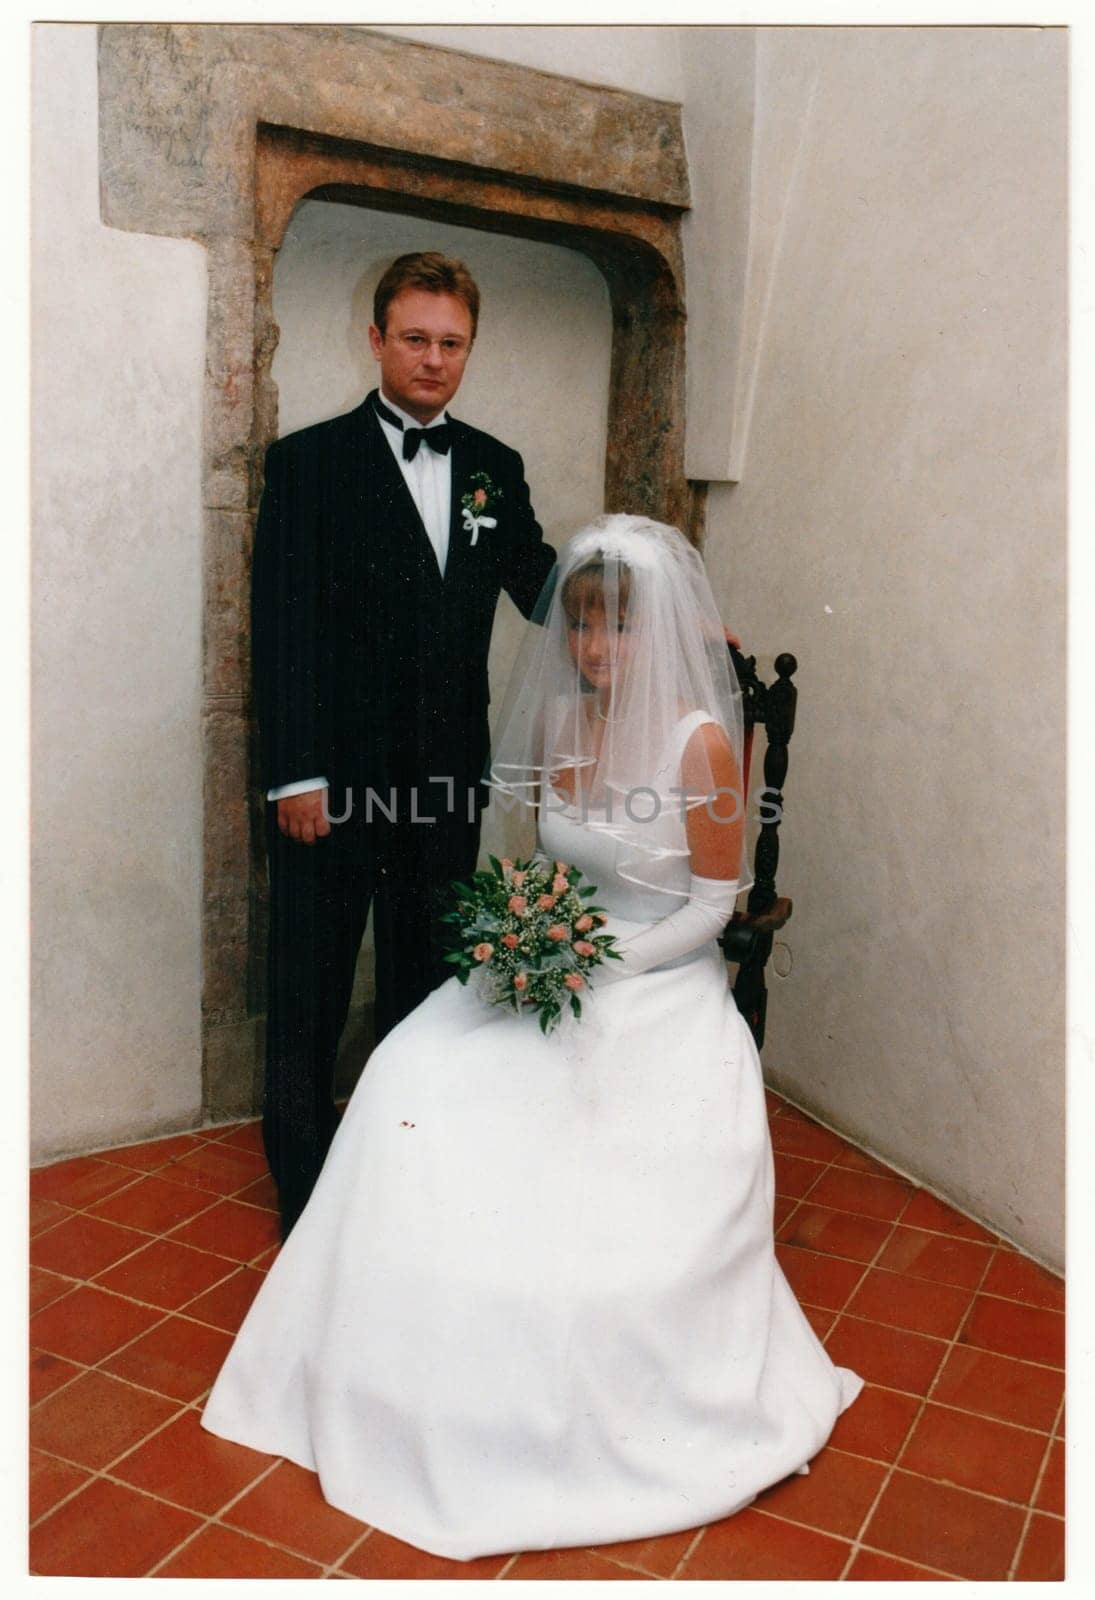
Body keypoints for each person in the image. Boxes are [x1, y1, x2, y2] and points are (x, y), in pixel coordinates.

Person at [203, 513, 862, 1562]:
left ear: (667, 633)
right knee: (410, 1067)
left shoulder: (700, 740)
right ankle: (396, 1366)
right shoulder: (559, 723)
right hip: (556, 959)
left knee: (561, 1155)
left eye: (624, 629)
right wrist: (532, 934)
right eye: (586, 626)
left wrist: (601, 963)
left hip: (653, 982)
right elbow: (552, 860)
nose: (599, 650)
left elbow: (713, 905)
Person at [252, 251, 556, 1239]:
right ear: (376, 337)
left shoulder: (494, 469)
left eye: (451, 342)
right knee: (311, 988)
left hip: (441, 786)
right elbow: (283, 626)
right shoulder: (307, 462)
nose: (433, 358)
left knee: (425, 984)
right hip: (329, 788)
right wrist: (295, 774)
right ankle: (302, 1197)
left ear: (469, 348)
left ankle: (401, 1174)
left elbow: (542, 582)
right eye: (415, 337)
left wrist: (659, 602)